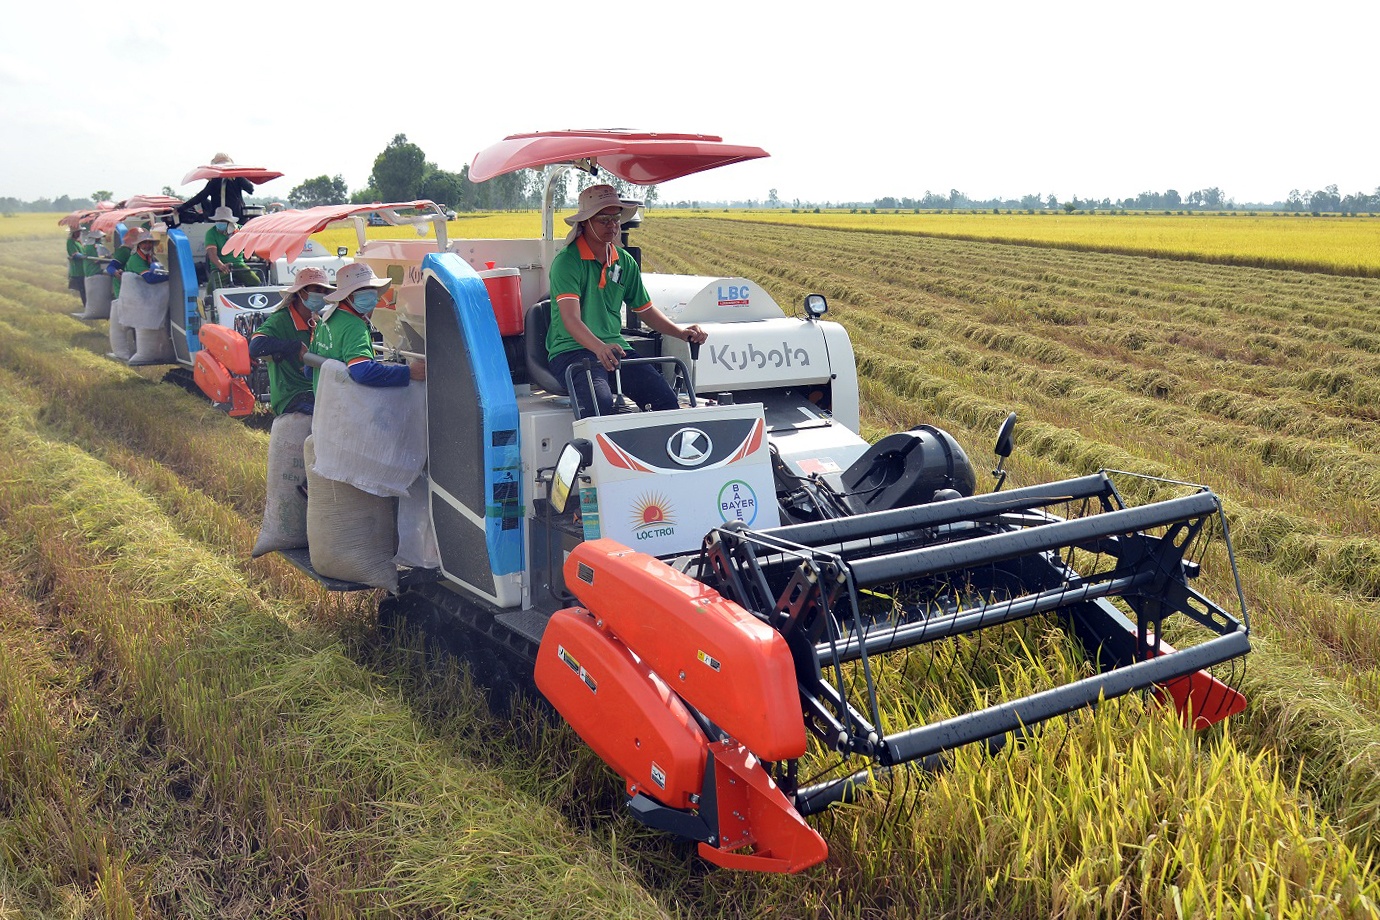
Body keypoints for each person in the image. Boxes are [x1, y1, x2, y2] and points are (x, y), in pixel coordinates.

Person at [547, 184, 707, 418]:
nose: (612, 226)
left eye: (616, 219)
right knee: (597, 405)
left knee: (665, 400)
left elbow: (646, 310)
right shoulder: (567, 262)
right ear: (585, 222)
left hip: (615, 349)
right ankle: (591, 454)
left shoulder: (624, 262)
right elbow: (570, 320)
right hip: (572, 350)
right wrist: (599, 347)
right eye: (604, 220)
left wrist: (681, 333)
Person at [308, 263, 426, 389]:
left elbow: (309, 370)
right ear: (348, 295)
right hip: (346, 405)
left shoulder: (326, 319)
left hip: (324, 403)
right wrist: (408, 372)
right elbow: (362, 372)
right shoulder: (354, 325)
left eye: (372, 288)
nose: (371, 295)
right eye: (364, 289)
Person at [250, 266, 332, 416]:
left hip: (315, 391)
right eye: (317, 290)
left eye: (324, 291)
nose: (322, 295)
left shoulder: (318, 322)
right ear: (301, 292)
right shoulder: (281, 319)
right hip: (291, 395)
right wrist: (295, 347)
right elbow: (255, 347)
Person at [180, 152, 254, 223]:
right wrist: (183, 207)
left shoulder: (237, 178)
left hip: (236, 217)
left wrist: (239, 177)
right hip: (219, 217)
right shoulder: (215, 181)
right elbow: (202, 196)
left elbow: (250, 189)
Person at [204, 206, 260, 294]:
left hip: (239, 264)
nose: (219, 223)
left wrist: (265, 256)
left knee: (257, 283)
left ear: (230, 222)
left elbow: (254, 245)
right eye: (218, 221)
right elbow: (212, 254)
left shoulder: (241, 230)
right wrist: (221, 265)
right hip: (220, 268)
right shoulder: (211, 233)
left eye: (222, 221)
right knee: (211, 290)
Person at [66, 225, 87, 307]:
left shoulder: (78, 242)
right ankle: (86, 306)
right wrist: (85, 257)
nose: (79, 233)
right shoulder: (70, 242)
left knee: (86, 289)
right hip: (77, 270)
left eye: (80, 231)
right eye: (78, 232)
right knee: (83, 290)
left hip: (83, 268)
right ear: (73, 233)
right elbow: (75, 255)